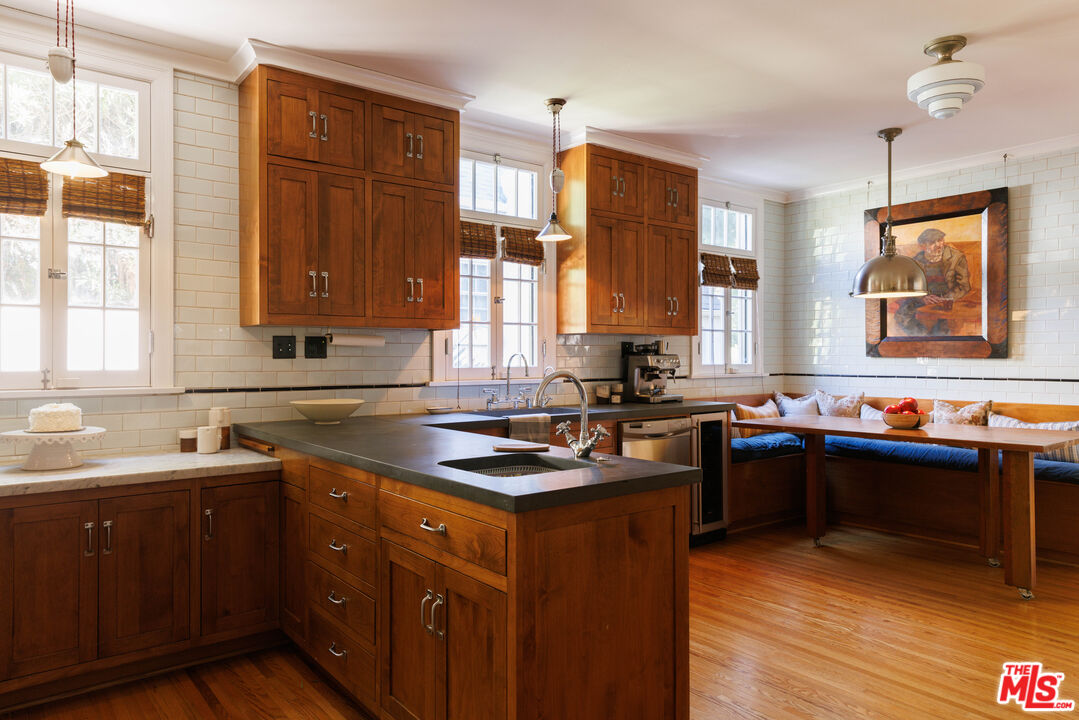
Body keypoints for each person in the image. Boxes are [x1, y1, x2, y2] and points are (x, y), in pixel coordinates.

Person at [894, 227, 971, 336]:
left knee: (943, 327)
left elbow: (963, 286)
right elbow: (910, 285)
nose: (938, 245)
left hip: (948, 298)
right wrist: (923, 297)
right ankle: (923, 337)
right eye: (932, 242)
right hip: (924, 297)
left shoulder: (956, 257)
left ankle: (936, 342)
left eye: (940, 240)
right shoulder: (917, 260)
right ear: (923, 246)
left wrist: (945, 299)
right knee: (901, 316)